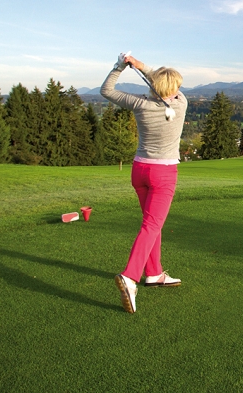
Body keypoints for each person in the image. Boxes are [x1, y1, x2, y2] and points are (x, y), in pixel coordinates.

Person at [101, 52, 188, 314]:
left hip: (139, 170)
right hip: (164, 174)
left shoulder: (139, 104)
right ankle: (130, 276)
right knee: (152, 225)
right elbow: (161, 83)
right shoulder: (181, 103)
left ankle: (154, 273)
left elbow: (106, 90)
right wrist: (141, 66)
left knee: (152, 223)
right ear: (173, 89)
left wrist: (121, 66)